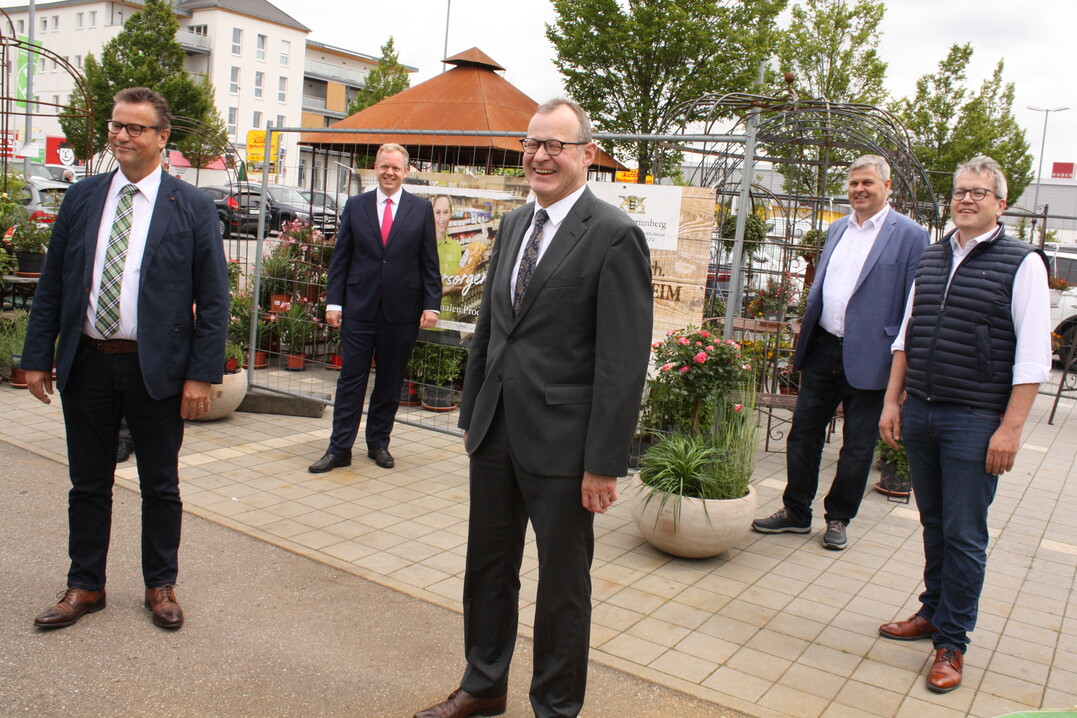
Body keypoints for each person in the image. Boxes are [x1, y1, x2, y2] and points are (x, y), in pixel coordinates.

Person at [413, 99, 652, 718]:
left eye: (557, 146)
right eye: (532, 143)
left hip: (566, 447)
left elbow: (622, 362)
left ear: (586, 155)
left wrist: (604, 462)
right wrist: (472, 416)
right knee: (488, 568)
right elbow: (494, 326)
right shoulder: (516, 223)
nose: (541, 156)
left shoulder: (613, 234)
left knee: (563, 588)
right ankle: (484, 683)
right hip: (495, 433)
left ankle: (555, 706)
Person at [22, 87, 228, 631]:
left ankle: (160, 585)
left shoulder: (193, 207)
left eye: (136, 128)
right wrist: (36, 357)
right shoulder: (83, 198)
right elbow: (52, 286)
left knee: (161, 485)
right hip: (87, 362)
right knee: (88, 482)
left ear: (163, 138)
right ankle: (85, 585)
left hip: (155, 370)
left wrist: (202, 375)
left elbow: (214, 299)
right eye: (117, 125)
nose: (122, 135)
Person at [877, 155, 1050, 693]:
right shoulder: (931, 258)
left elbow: (1033, 357)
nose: (967, 199)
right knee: (933, 522)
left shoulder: (1023, 263)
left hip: (976, 419)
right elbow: (906, 335)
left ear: (1001, 204)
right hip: (923, 410)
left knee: (966, 532)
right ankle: (932, 610)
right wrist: (892, 403)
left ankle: (952, 642)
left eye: (979, 192)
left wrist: (1011, 429)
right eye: (960, 191)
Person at [752, 155, 929, 550]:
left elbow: (915, 306)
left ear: (887, 188)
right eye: (853, 184)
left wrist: (904, 373)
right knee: (803, 435)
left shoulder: (911, 236)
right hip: (824, 347)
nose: (859, 190)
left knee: (858, 446)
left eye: (867, 183)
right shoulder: (836, 229)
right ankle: (796, 511)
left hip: (873, 357)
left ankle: (839, 518)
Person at [308, 143, 441, 473]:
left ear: (406, 171)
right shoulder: (356, 205)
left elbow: (429, 261)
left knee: (390, 381)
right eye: (384, 166)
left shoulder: (420, 209)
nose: (390, 172)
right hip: (359, 309)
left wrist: (432, 305)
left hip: (402, 311)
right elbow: (341, 258)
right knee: (351, 380)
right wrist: (334, 302)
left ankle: (378, 444)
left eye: (396, 167)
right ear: (376, 168)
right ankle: (339, 448)